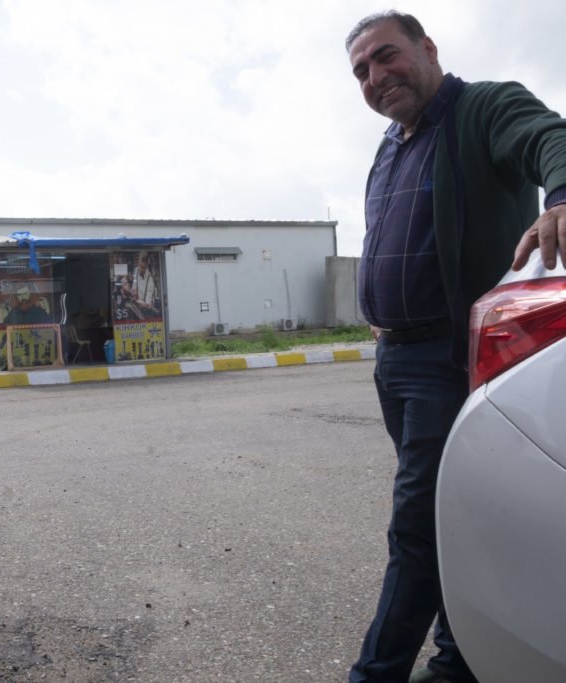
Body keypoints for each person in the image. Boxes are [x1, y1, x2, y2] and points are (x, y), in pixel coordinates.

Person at [345, 11, 566, 683]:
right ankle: (458, 662)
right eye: (361, 71)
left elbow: (549, 137)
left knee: (416, 531)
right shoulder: (391, 145)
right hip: (397, 363)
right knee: (449, 520)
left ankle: (374, 674)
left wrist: (562, 195)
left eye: (387, 57)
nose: (377, 77)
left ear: (427, 48)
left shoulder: (482, 108)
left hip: (451, 362)